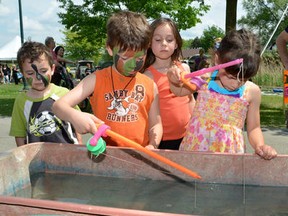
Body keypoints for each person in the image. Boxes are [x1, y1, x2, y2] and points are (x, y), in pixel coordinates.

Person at [52, 11, 163, 149]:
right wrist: (74, 116)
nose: (133, 64)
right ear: (110, 49)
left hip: (141, 155)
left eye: (140, 58)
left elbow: (156, 124)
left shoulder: (150, 85)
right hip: (106, 155)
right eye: (125, 57)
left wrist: (153, 145)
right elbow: (58, 106)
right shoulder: (96, 80)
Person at [168, 29, 277, 160]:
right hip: (195, 149)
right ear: (217, 60)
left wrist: (260, 145)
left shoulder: (252, 92)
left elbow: (254, 128)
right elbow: (179, 92)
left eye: (243, 79)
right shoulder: (204, 78)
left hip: (230, 154)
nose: (236, 84)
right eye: (231, 77)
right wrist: (172, 79)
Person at [9, 41, 82, 147]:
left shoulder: (64, 93)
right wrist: (24, 157)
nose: (38, 78)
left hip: (69, 155)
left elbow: (77, 121)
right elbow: (19, 134)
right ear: (23, 73)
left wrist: (80, 144)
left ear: (52, 69)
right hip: (39, 160)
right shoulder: (22, 101)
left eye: (43, 71)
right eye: (30, 73)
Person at [143, 17, 194, 150]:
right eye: (158, 40)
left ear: (176, 43)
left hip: (187, 136)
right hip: (160, 140)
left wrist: (196, 125)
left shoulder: (185, 69)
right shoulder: (146, 76)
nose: (164, 43)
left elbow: (190, 100)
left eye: (169, 39)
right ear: (149, 43)